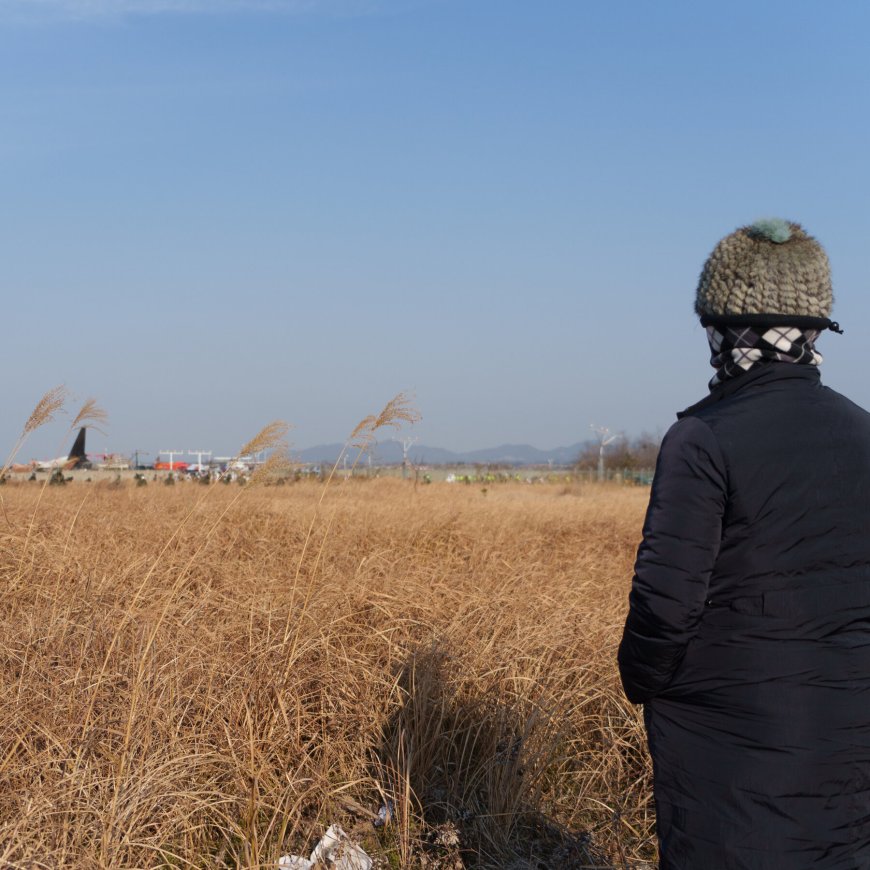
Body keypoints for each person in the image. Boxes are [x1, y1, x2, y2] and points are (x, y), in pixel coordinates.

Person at [618, 218, 870, 869]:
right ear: (814, 330)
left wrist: (646, 684)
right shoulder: (863, 433)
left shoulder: (702, 439)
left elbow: (664, 605)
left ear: (722, 326)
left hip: (726, 742)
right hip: (847, 730)